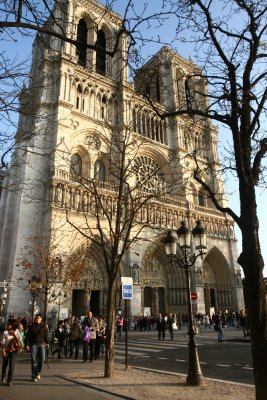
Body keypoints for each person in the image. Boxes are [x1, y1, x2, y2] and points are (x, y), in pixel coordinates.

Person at [26, 314, 48, 382]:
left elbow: (45, 335)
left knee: (42, 359)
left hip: (41, 344)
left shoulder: (44, 327)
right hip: (34, 345)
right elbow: (27, 336)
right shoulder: (31, 326)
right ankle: (33, 376)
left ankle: (38, 371)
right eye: (37, 318)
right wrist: (27, 345)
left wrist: (47, 343)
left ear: (41, 319)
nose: (37, 319)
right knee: (33, 361)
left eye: (39, 318)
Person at [1, 321, 22, 386]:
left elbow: (19, 340)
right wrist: (3, 351)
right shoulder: (5, 332)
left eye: (9, 325)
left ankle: (9, 380)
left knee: (11, 366)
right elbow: (3, 343)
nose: (8, 326)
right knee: (5, 364)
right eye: (7, 324)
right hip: (6, 350)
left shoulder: (16, 331)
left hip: (13, 350)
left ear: (12, 325)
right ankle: (3, 377)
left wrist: (14, 334)